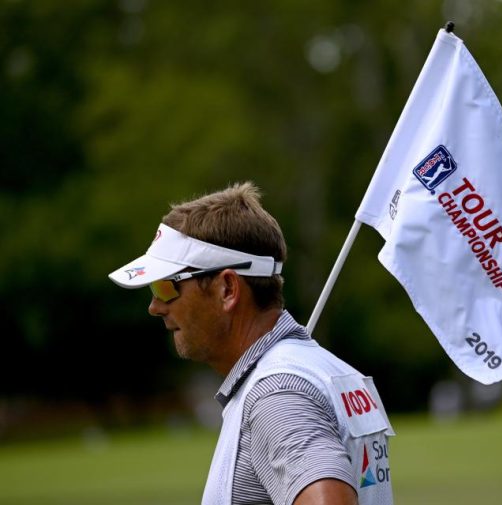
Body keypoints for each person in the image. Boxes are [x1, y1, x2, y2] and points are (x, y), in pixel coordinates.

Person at [108, 182, 394, 505]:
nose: (155, 306)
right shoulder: (321, 370)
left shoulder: (276, 391)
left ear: (227, 288)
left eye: (165, 287)